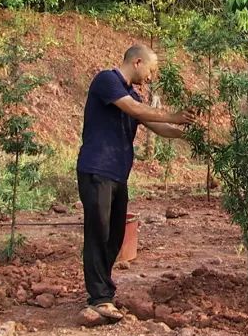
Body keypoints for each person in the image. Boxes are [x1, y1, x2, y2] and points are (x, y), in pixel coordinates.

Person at [76, 44, 196, 321]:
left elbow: (156, 126)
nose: (152, 77)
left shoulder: (131, 93)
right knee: (99, 232)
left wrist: (187, 134)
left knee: (115, 234)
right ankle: (99, 298)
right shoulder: (107, 80)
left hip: (118, 174)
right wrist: (173, 115)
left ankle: (103, 293)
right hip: (97, 169)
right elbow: (135, 110)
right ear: (138, 61)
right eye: (151, 70)